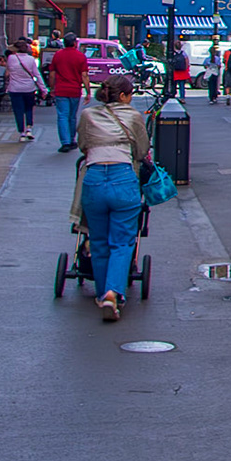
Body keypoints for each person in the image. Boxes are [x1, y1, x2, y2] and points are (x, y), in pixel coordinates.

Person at [76, 74, 152, 321]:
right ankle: (113, 292)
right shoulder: (133, 116)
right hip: (122, 177)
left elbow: (83, 145)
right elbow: (142, 150)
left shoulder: (88, 115)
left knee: (98, 241)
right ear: (123, 96)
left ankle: (101, 294)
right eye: (130, 95)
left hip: (94, 178)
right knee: (122, 241)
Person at [49, 34, 90, 153]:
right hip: (74, 90)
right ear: (75, 43)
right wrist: (88, 92)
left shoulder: (58, 55)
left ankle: (65, 142)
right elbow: (84, 75)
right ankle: (72, 139)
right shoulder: (80, 56)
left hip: (61, 89)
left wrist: (52, 88)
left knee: (62, 116)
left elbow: (52, 74)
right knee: (72, 116)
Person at [4, 39, 44, 142]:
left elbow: (8, 71)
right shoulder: (31, 59)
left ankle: (21, 132)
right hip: (29, 88)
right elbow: (36, 75)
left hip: (15, 88)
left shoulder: (11, 58)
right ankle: (29, 129)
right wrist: (43, 89)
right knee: (29, 109)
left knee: (18, 110)